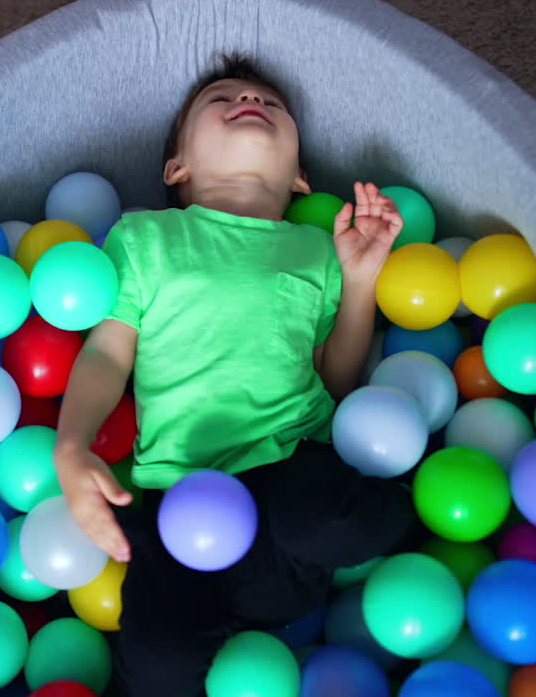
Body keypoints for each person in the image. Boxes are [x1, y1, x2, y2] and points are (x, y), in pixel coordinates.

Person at [53, 52, 422, 696]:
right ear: (178, 167)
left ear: (300, 176)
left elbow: (335, 381)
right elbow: (107, 354)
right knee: (157, 661)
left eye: (270, 102)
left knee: (337, 518)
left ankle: (416, 515)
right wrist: (71, 445)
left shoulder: (317, 250)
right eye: (221, 98)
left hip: (286, 478)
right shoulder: (145, 238)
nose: (249, 100)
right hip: (177, 502)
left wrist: (360, 279)